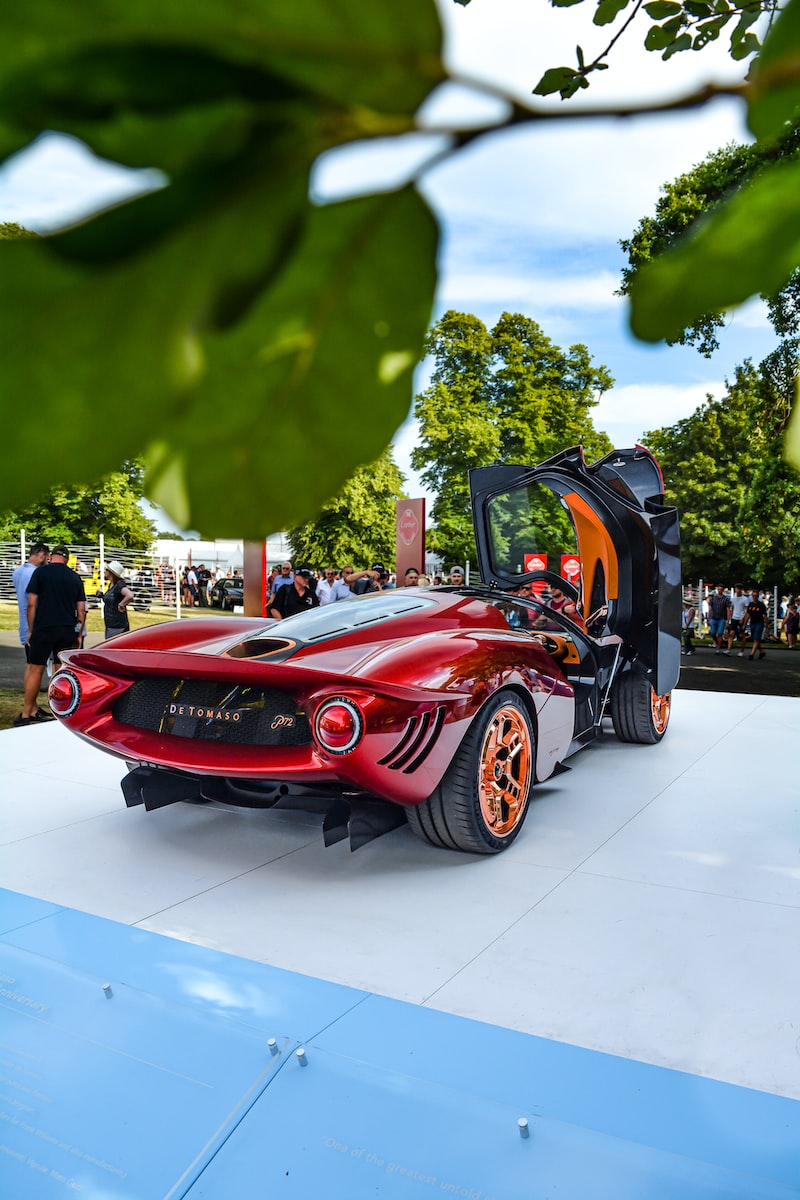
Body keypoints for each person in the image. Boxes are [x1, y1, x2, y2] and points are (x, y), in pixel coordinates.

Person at [15, 545, 86, 726]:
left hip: (44, 627)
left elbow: (32, 604)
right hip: (67, 629)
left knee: (35, 668)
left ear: (51, 556)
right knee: (61, 671)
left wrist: (30, 630)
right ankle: (59, 713)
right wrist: (78, 634)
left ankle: (26, 713)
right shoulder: (74, 577)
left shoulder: (40, 573)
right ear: (67, 559)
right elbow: (81, 610)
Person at [12, 542, 49, 654]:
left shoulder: (17, 572)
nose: (47, 562)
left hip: (24, 624)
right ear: (42, 556)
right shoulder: (37, 573)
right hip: (37, 624)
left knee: (30, 659)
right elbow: (34, 602)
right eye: (47, 559)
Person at [102, 560, 134, 640]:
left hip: (117, 624)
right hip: (110, 623)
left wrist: (121, 604)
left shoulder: (119, 585)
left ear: (111, 572)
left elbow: (130, 595)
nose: (105, 572)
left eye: (106, 570)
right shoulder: (111, 585)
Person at [743, 587, 768, 660]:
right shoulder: (751, 604)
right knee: (755, 638)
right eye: (753, 596)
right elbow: (748, 614)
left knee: (756, 639)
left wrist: (767, 624)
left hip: (759, 623)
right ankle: (762, 651)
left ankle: (751, 654)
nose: (754, 597)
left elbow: (765, 615)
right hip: (752, 623)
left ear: (758, 596)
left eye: (756, 596)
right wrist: (745, 624)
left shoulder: (761, 605)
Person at [707, 584, 731, 655]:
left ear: (723, 590)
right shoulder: (714, 598)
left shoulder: (725, 599)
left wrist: (728, 621)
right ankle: (717, 642)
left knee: (720, 634)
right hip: (714, 617)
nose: (720, 590)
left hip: (722, 618)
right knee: (713, 633)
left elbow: (728, 610)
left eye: (721, 589)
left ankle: (718, 648)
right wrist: (708, 618)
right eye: (719, 589)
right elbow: (711, 609)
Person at [727, 584, 749, 655]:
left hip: (741, 618)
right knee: (731, 634)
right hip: (734, 617)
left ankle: (742, 651)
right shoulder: (733, 598)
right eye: (737, 589)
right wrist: (730, 618)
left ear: (741, 590)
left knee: (742, 635)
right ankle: (728, 649)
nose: (738, 590)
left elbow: (746, 611)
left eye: (739, 589)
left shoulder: (745, 599)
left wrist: (743, 619)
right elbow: (732, 608)